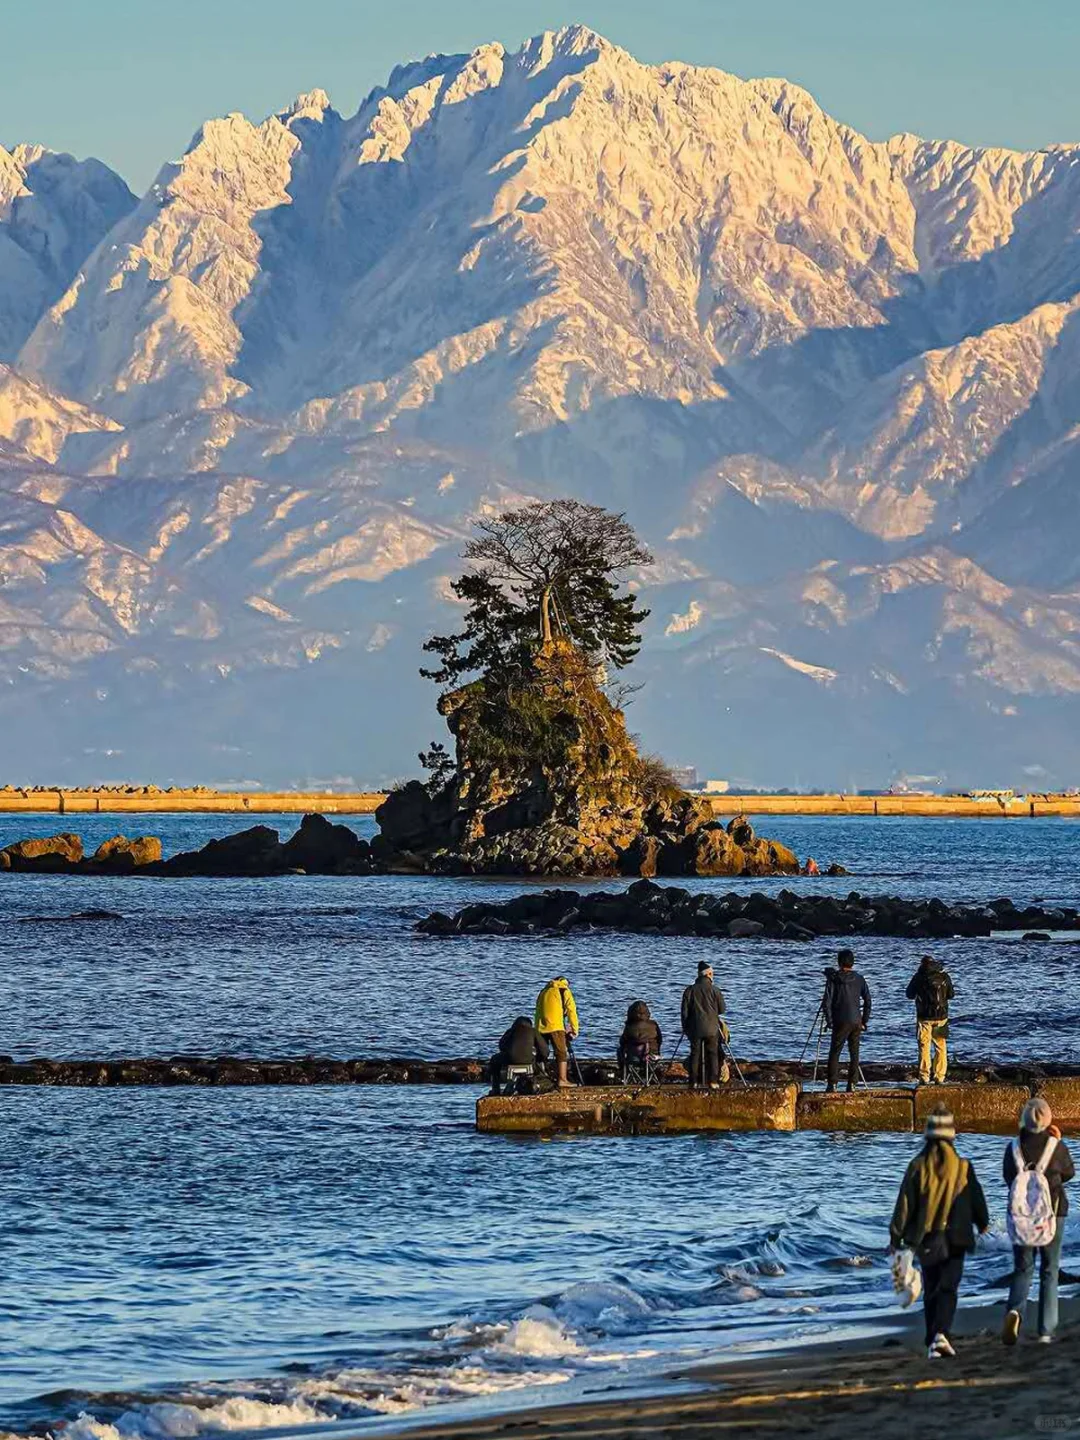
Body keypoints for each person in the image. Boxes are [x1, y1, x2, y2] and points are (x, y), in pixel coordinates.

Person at [889, 1105, 990, 1360]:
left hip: (927, 1238)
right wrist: (983, 1222)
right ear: (951, 1134)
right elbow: (977, 1199)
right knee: (949, 1288)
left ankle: (933, 1336)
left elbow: (904, 1205)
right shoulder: (963, 1166)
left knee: (932, 1287)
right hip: (957, 1237)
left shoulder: (918, 1166)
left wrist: (896, 1237)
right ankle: (941, 1334)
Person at [1002, 1096, 1075, 1346]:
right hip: (1053, 1213)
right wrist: (1057, 1142)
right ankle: (1046, 1330)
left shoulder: (1013, 1147)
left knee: (1023, 1268)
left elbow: (1007, 1177)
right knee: (1049, 1270)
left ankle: (1015, 1310)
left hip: (1022, 1216)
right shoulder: (1055, 1146)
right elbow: (1069, 1173)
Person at [823, 948, 871, 1093]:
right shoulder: (859, 978)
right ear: (852, 962)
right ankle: (852, 1085)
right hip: (856, 1020)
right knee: (854, 1053)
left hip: (840, 1021)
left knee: (835, 1052)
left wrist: (829, 1021)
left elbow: (827, 1002)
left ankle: (832, 1085)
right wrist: (864, 1021)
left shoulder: (834, 979)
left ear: (839, 962)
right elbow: (868, 1000)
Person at [905, 954, 955, 1085]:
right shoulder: (944, 976)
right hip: (941, 1017)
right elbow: (951, 995)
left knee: (924, 1046)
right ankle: (939, 1076)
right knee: (940, 1046)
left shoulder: (918, 977)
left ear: (922, 965)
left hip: (924, 1017)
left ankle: (924, 1076)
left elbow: (909, 994)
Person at [680, 960, 728, 1090]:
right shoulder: (715, 990)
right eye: (712, 974)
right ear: (708, 974)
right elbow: (722, 1009)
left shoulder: (689, 991)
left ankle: (693, 1081)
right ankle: (713, 1081)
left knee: (695, 1054)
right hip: (712, 1029)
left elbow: (684, 1013)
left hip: (695, 1029)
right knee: (713, 1053)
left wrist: (685, 1028)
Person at [534, 976, 579, 1088]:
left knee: (542, 1053)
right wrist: (574, 1029)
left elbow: (538, 1009)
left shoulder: (544, 991)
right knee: (561, 1052)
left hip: (540, 1025)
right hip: (555, 1026)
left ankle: (541, 1078)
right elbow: (571, 1010)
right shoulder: (564, 990)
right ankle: (562, 1080)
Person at [489, 1016, 545, 1094]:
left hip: (510, 1059)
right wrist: (539, 1058)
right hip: (528, 1060)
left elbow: (501, 1046)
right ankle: (533, 1084)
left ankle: (495, 1089)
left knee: (494, 1060)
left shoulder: (511, 1031)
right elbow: (544, 1050)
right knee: (538, 1065)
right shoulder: (533, 1031)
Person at [618, 1000, 662, 1078]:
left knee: (619, 1050)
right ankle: (649, 1074)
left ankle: (623, 1073)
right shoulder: (653, 1025)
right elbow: (660, 1040)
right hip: (651, 1056)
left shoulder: (629, 1026)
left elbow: (622, 1042)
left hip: (632, 1057)